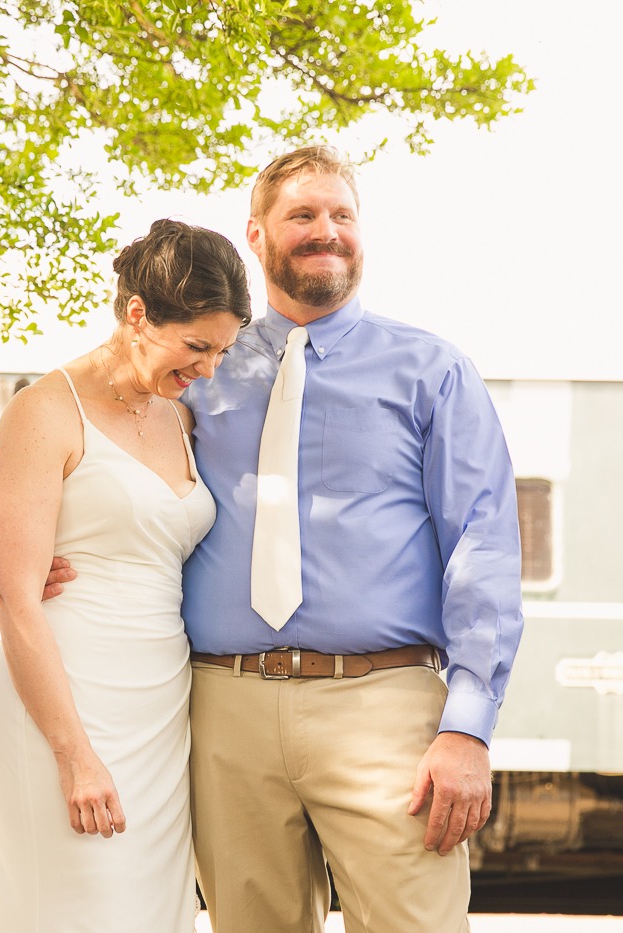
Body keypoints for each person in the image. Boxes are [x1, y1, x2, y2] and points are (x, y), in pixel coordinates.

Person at [180, 145, 524, 931]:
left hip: (385, 705)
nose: (326, 230)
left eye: (342, 215)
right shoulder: (204, 370)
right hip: (224, 705)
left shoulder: (432, 370)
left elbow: (484, 547)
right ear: (257, 235)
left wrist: (467, 725)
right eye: (302, 215)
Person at [0, 219, 251, 931]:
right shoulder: (43, 412)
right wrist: (75, 755)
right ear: (138, 315)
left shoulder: (181, 416)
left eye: (221, 350)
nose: (209, 369)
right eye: (197, 346)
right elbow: (12, 594)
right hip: (68, 706)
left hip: (161, 712)